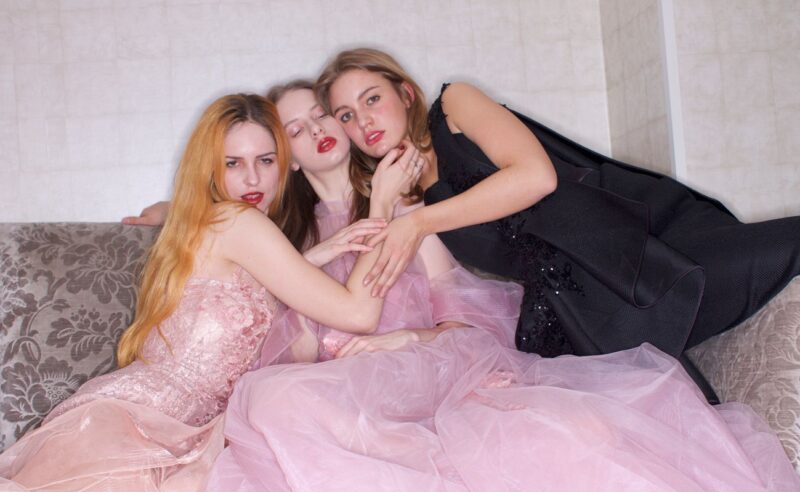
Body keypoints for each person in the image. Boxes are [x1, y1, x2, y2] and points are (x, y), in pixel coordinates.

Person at [187, 83, 800, 492]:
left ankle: (432, 455)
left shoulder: (413, 211)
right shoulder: (287, 246)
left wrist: (406, 336)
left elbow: (464, 319)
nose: (317, 127)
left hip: (430, 368)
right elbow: (291, 348)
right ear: (287, 158)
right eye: (294, 129)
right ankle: (413, 462)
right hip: (354, 392)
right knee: (278, 405)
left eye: (325, 113)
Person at [0, 93, 413, 492]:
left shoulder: (211, 223)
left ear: (283, 163)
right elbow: (358, 314)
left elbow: (247, 295)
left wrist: (313, 257)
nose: (252, 177)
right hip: (151, 428)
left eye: (265, 160)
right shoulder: (238, 222)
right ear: (210, 168)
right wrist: (382, 203)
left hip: (183, 428)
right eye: (232, 163)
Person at [315, 48, 800, 369]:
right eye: (347, 116)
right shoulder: (407, 194)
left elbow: (536, 177)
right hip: (573, 309)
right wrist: (385, 201)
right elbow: (370, 294)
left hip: (635, 243)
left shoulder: (454, 106)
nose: (364, 121)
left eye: (372, 99)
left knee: (782, 248)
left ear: (406, 94)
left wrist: (420, 222)